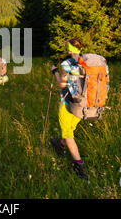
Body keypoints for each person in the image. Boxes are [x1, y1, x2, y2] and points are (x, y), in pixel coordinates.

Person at [49, 38, 88, 180]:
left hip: (68, 103)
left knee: (68, 133)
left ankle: (79, 166)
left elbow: (62, 84)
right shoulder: (85, 61)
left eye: (67, 47)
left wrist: (55, 72)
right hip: (84, 104)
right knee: (69, 128)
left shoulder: (67, 63)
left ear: (70, 49)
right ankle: (60, 146)